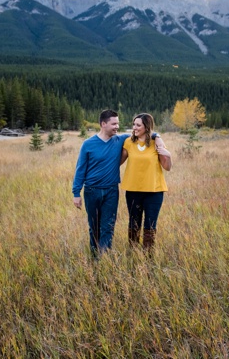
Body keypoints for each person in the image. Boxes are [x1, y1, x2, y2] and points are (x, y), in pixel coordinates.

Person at [72, 109, 163, 255]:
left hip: (111, 191)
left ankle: (104, 258)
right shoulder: (88, 144)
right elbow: (80, 169)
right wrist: (76, 193)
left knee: (108, 226)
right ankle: (95, 256)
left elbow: (144, 132)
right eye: (114, 124)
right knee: (94, 227)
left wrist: (157, 136)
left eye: (118, 123)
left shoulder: (121, 140)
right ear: (103, 124)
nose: (117, 127)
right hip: (91, 191)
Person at [120, 113, 172, 252]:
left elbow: (167, 167)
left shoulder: (156, 143)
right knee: (133, 224)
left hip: (154, 191)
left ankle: (148, 257)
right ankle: (133, 254)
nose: (134, 127)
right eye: (134, 124)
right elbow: (117, 162)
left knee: (150, 225)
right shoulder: (128, 142)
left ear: (146, 127)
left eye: (138, 125)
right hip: (133, 191)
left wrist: (168, 155)